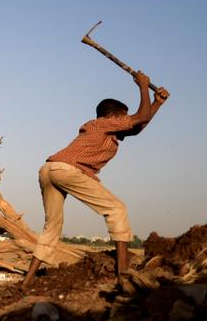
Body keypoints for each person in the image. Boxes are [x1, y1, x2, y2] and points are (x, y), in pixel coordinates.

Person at [20, 71, 169, 293]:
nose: (124, 123)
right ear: (111, 117)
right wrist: (143, 87)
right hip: (67, 170)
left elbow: (137, 126)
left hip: (49, 169)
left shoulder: (105, 131)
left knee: (51, 227)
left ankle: (27, 281)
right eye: (122, 117)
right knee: (117, 209)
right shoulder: (101, 124)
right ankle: (123, 277)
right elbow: (140, 118)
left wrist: (157, 103)